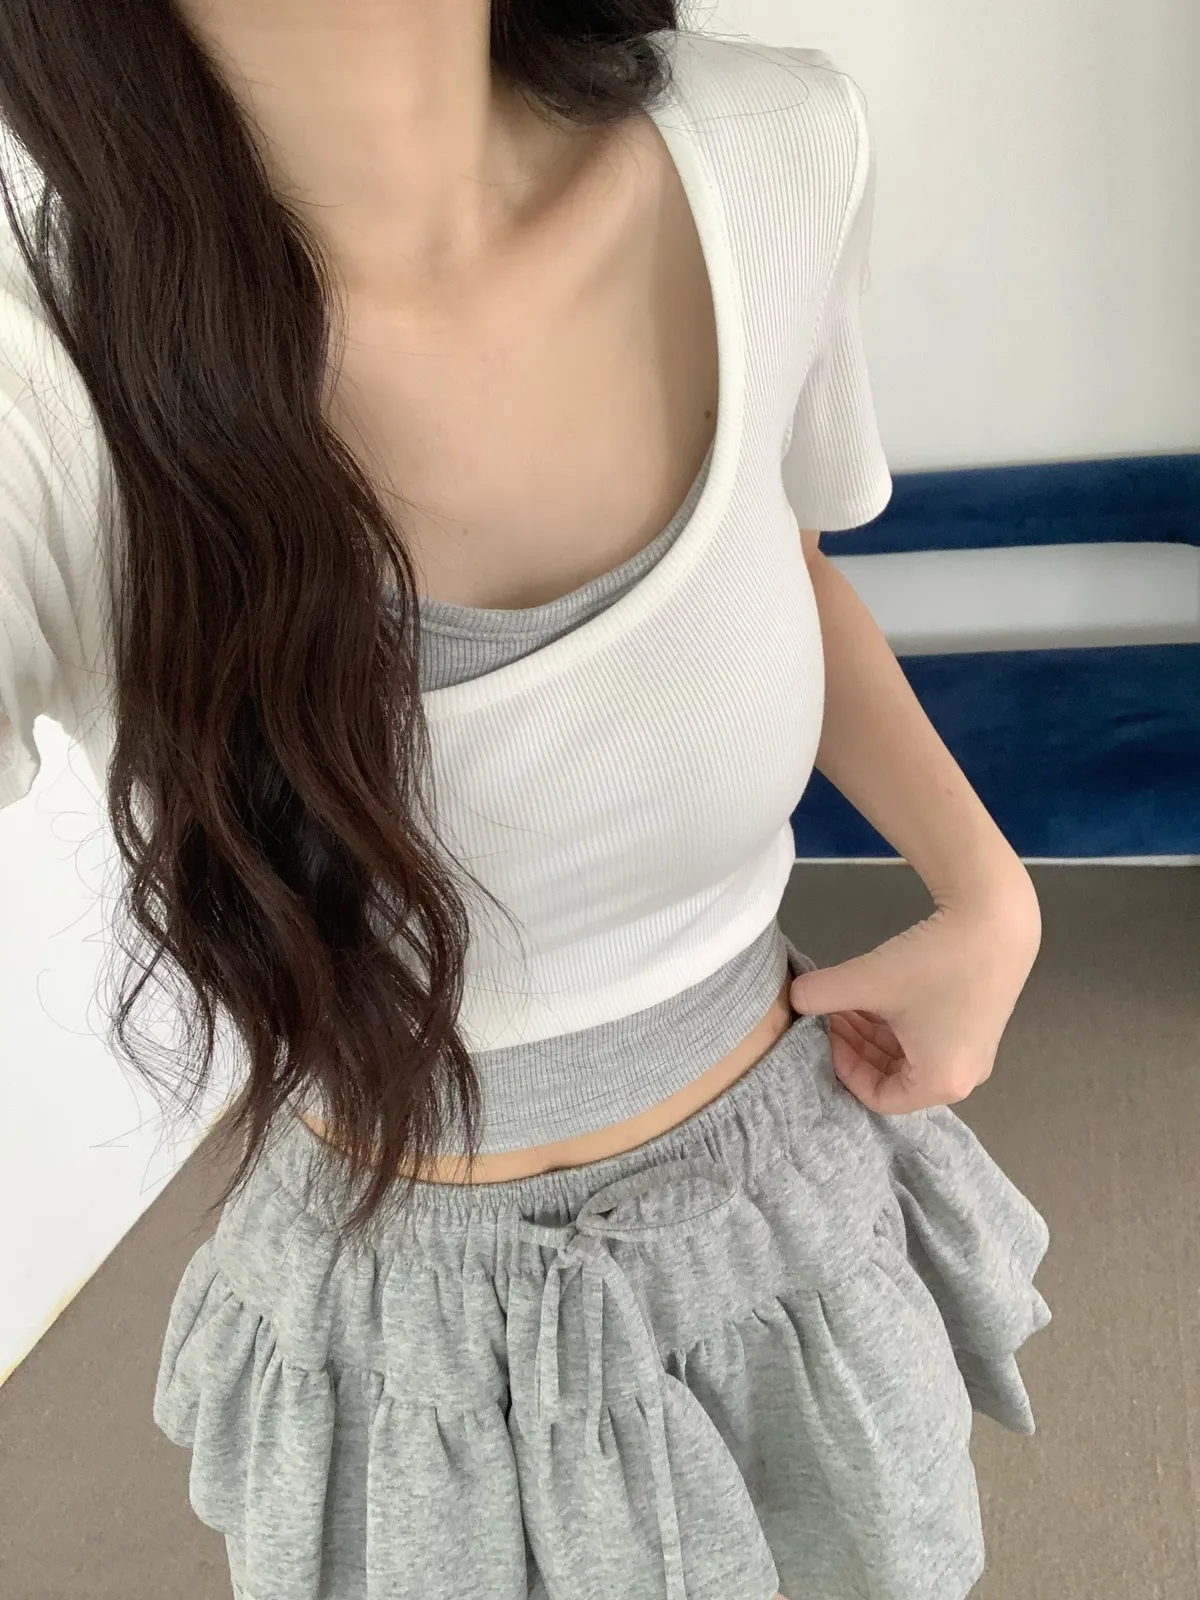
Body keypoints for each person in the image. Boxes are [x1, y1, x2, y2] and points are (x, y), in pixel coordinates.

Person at [0, 4, 1051, 1597]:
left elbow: (779, 561)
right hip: (422, 1370)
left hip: (801, 1213)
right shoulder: (42, 368)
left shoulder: (767, 146)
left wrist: (989, 890)